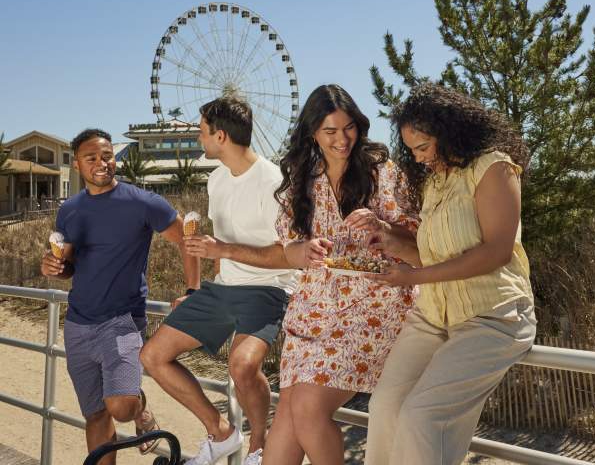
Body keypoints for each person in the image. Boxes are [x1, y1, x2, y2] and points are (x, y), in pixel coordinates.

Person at [363, 82, 537, 465]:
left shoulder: (494, 166)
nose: (419, 158)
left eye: (423, 147)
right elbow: (430, 257)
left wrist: (410, 279)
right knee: (385, 408)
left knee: (422, 417)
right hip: (435, 315)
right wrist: (387, 239)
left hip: (493, 316)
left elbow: (496, 252)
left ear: (450, 131)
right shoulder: (437, 181)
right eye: (412, 151)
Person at [254, 84, 419, 465]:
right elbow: (288, 249)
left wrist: (382, 227)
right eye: (330, 131)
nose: (342, 139)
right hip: (312, 310)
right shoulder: (301, 180)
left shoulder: (384, 173)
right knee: (290, 412)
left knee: (309, 407)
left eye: (349, 128)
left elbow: (420, 241)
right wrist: (304, 250)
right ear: (312, 132)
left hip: (373, 309)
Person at [141, 97, 301, 465]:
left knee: (242, 365)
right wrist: (196, 294)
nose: (199, 138)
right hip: (222, 289)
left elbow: (288, 254)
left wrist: (223, 249)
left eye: (201, 131)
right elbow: (217, 251)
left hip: (269, 287)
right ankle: (222, 434)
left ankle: (259, 445)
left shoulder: (275, 182)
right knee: (153, 356)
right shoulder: (215, 180)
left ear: (221, 135)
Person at [40, 128, 191, 464]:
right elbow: (68, 267)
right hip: (78, 324)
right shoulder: (70, 210)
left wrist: (192, 290)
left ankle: (140, 408)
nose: (101, 162)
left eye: (106, 155)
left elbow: (186, 239)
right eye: (91, 157)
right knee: (95, 415)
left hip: (123, 321)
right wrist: (54, 267)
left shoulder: (143, 202)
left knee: (120, 408)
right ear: (78, 165)